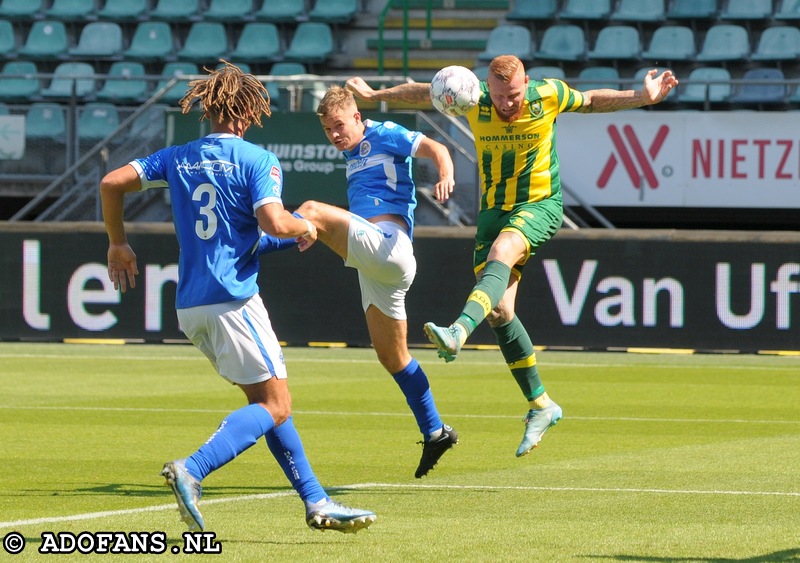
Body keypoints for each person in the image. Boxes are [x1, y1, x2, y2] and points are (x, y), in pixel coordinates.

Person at [346, 55, 679, 458]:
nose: (508, 104)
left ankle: (457, 333)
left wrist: (640, 97)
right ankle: (541, 404)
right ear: (489, 89)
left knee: (503, 253)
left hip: (539, 204)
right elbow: (423, 92)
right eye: (501, 96)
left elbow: (591, 100)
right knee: (500, 312)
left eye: (514, 95)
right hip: (493, 212)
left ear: (526, 82)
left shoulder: (547, 94)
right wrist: (375, 94)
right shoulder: (474, 100)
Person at [100, 61, 375, 533]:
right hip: (233, 300)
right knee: (276, 405)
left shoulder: (177, 157)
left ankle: (316, 500)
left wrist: (117, 242)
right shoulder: (256, 159)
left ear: (209, 110)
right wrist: (307, 225)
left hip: (192, 307)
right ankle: (193, 468)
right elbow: (273, 221)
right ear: (249, 113)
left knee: (265, 402)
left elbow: (110, 183)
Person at [274, 85, 458, 478]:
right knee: (393, 358)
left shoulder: (383, 132)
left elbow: (437, 149)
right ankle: (436, 430)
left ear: (358, 118)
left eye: (340, 125)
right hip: (376, 266)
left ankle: (255, 243)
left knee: (308, 209)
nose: (336, 135)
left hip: (389, 247)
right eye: (329, 130)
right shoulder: (353, 153)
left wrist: (445, 176)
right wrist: (314, 230)